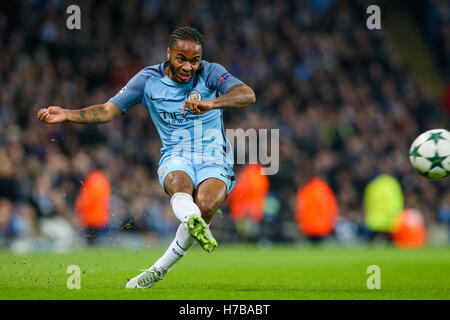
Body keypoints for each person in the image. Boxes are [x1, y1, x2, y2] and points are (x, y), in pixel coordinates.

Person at [37, 26, 256, 289]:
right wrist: (67, 114)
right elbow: (107, 111)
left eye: (194, 60)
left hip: (214, 157)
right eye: (181, 59)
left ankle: (159, 267)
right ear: (169, 54)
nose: (188, 66)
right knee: (180, 184)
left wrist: (213, 103)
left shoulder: (210, 73)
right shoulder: (147, 80)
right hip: (176, 155)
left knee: (207, 206)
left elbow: (247, 94)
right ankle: (189, 218)